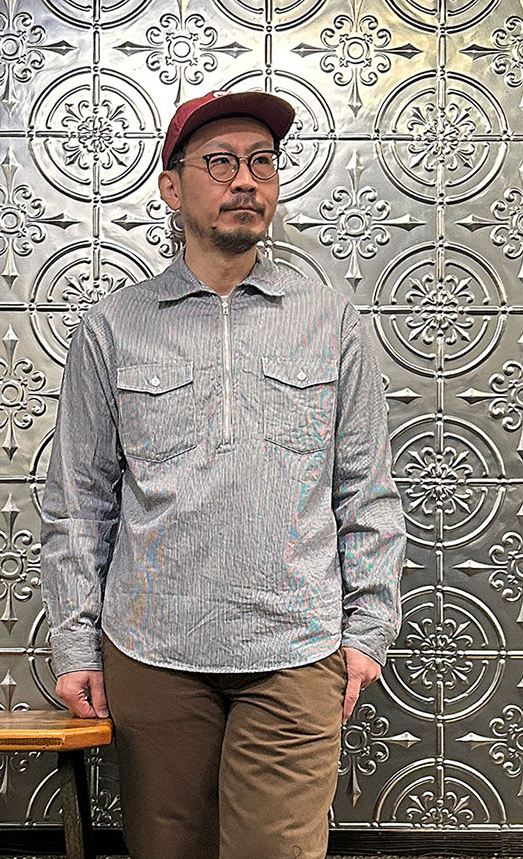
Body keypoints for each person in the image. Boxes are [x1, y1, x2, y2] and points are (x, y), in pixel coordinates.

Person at [40, 89, 406, 859]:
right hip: (152, 654)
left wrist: (369, 630)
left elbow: (367, 490)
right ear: (171, 188)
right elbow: (78, 504)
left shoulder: (328, 319)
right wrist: (75, 646)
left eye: (262, 162)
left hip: (296, 651)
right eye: (221, 163)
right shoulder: (113, 327)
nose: (246, 180)